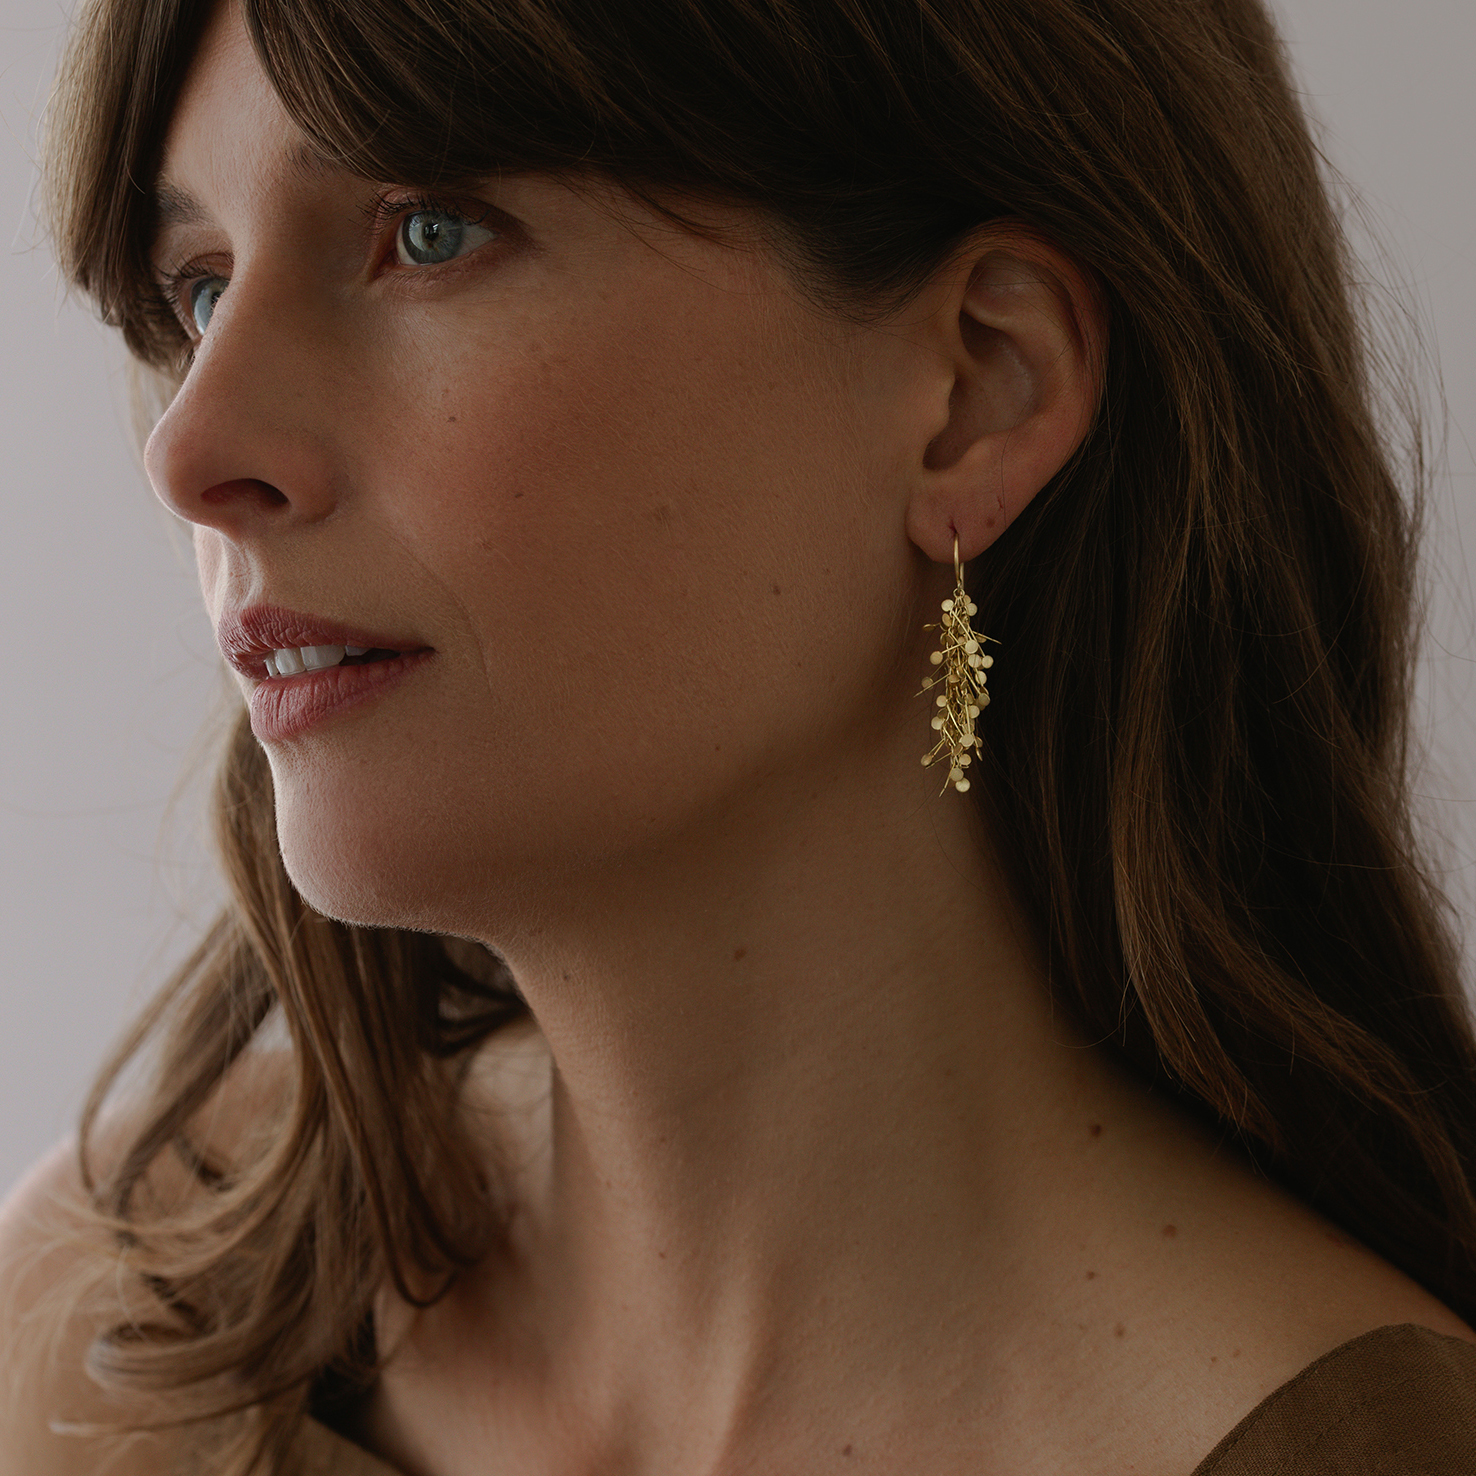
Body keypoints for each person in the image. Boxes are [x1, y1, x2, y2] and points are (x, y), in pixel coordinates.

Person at [5, 0, 1476, 1469]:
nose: (191, 451)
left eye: (429, 233)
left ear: (979, 386)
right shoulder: (110, 1326)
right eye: (201, 289)